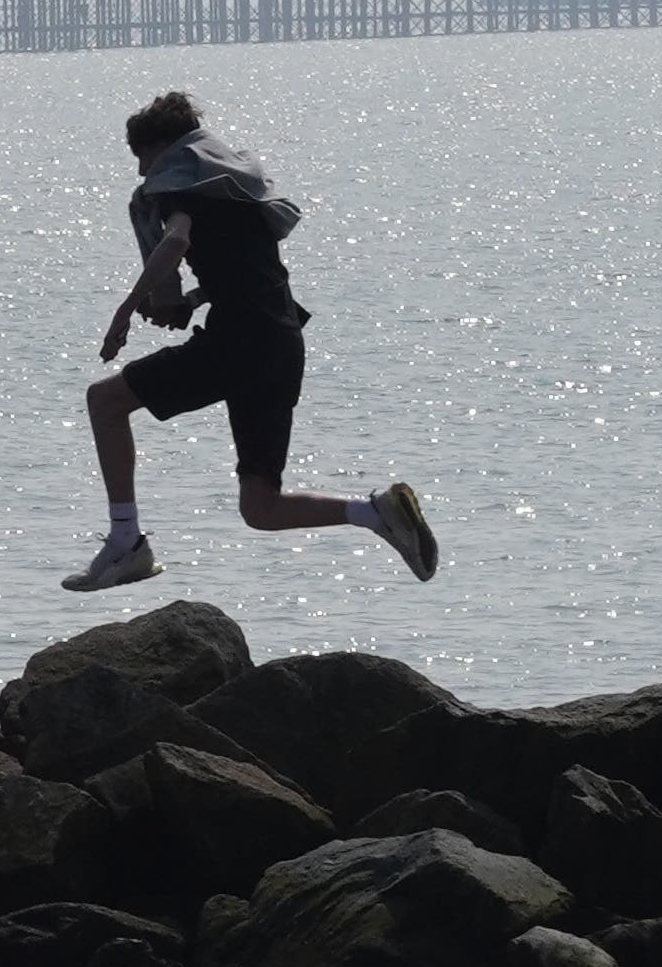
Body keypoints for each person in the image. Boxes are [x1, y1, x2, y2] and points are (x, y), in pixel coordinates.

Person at [67, 89, 437, 592]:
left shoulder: (182, 188)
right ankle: (375, 513)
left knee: (104, 401)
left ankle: (126, 543)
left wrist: (126, 309)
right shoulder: (236, 194)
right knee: (261, 507)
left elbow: (175, 240)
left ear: (163, 148)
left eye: (142, 157)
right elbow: (238, 274)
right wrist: (187, 302)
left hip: (240, 341)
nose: (140, 173)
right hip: (281, 343)